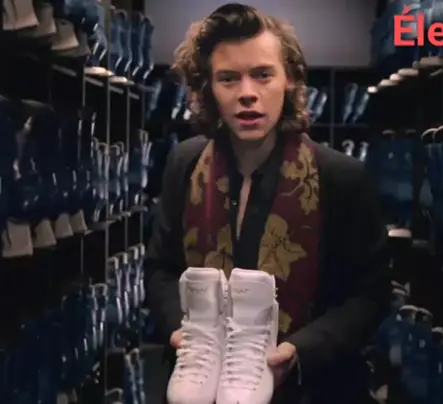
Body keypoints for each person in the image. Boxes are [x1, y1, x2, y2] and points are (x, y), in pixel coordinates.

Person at [145, 3, 389, 403]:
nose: (247, 94)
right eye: (228, 78)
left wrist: (300, 350)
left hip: (313, 391)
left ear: (288, 80)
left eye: (262, 75)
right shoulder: (184, 164)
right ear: (208, 88)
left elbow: (370, 295)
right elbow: (160, 268)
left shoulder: (341, 177)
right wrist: (182, 331)